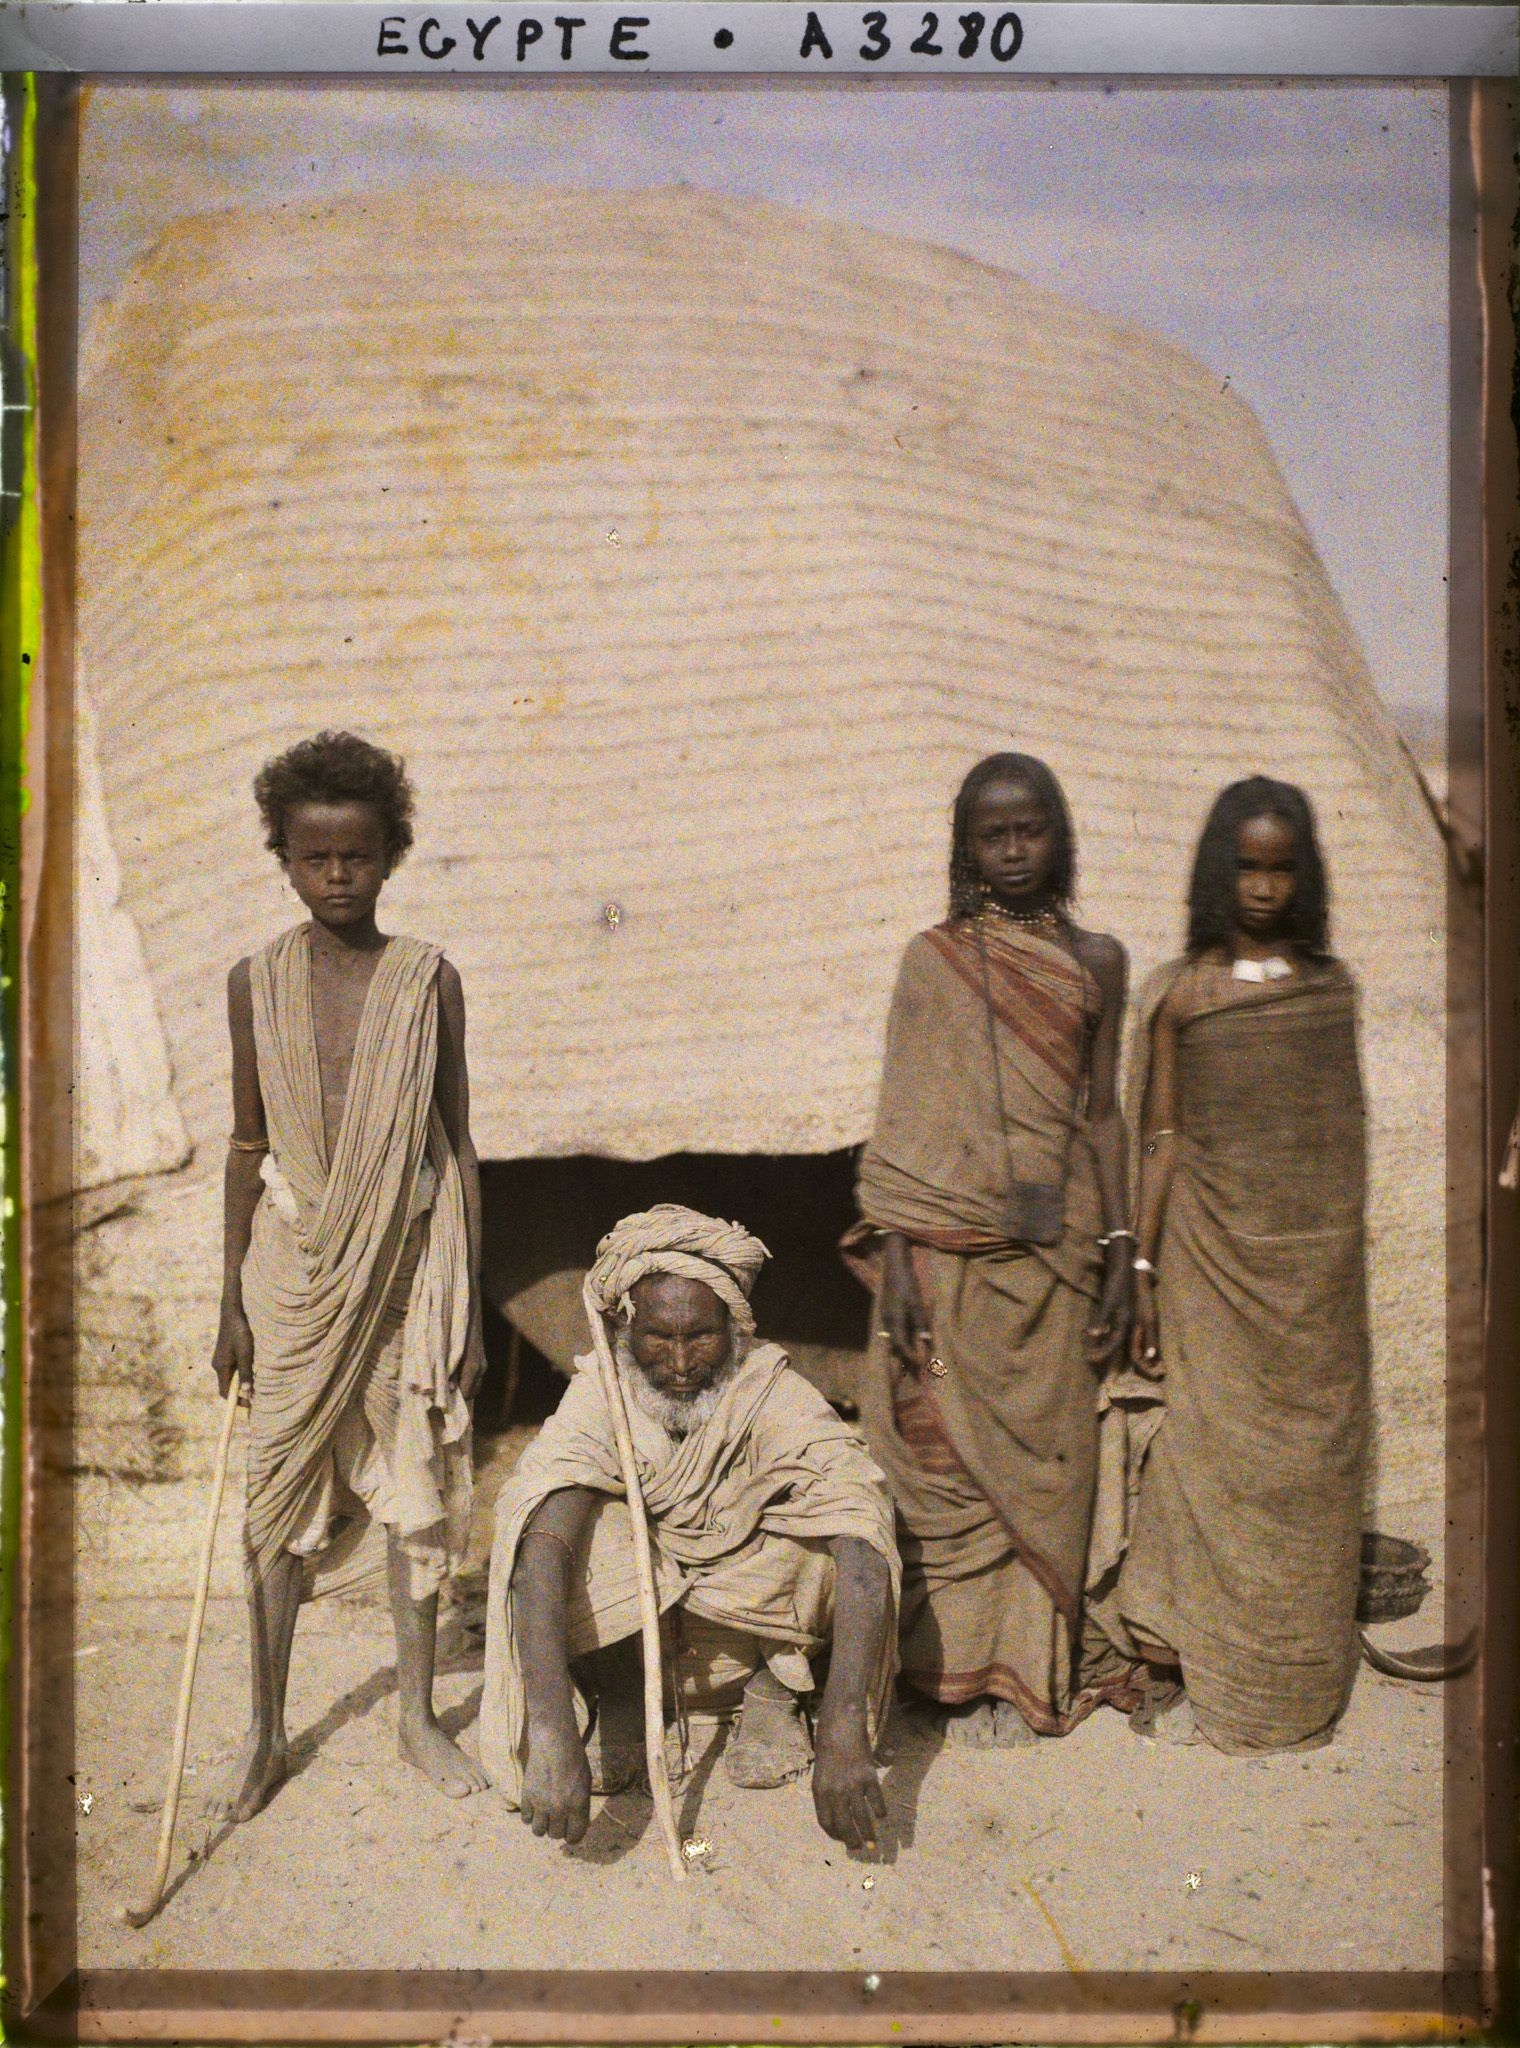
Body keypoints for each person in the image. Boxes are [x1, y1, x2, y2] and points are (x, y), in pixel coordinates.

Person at [208, 730, 489, 1819]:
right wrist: (227, 1296)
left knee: (414, 1499)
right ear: (281, 854)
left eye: (357, 857)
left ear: (390, 855)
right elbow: (245, 1147)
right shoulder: (255, 981)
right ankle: (267, 1731)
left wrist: (461, 1301)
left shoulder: (428, 981)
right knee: (274, 1500)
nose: (337, 876)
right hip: (289, 1275)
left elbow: (455, 1145)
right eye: (315, 857)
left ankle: (417, 1715)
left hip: (401, 1276)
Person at [843, 753, 1137, 1745]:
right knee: (935, 1450)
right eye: (991, 834)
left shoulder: (1097, 958)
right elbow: (905, 1119)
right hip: (941, 1250)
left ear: (1060, 836)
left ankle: (1022, 1676)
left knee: (1046, 1460)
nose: (1012, 850)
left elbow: (1102, 1112)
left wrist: (1123, 1250)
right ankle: (938, 1671)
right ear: (964, 848)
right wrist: (897, 1256)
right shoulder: (931, 959)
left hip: (1055, 1253)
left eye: (1030, 830)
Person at [479, 1204, 899, 1851]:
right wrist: (551, 1727)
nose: (679, 1360)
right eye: (657, 1337)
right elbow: (538, 1546)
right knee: (566, 1522)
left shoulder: (770, 1391)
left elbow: (864, 1545)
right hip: (641, 1631)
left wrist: (845, 1732)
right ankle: (623, 1690)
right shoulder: (604, 1391)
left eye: (699, 1336)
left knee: (845, 1524)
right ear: (625, 1327)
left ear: (734, 1326)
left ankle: (774, 1691)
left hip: (751, 1628)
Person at [1117, 776, 1370, 1753]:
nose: (1261, 887)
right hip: (1207, 1269)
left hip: (1309, 1288)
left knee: (1301, 1476)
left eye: (1279, 868)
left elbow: (1336, 1142)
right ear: (1214, 873)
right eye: (1244, 867)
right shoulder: (1180, 992)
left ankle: (1286, 1691)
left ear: (1301, 877)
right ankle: (1187, 1665)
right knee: (1204, 1462)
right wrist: (1138, 1266)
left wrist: (1318, 1266)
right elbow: (1161, 1134)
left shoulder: (1326, 992)